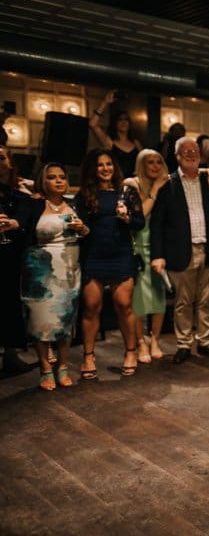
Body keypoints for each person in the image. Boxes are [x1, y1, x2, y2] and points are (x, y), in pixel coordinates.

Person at [150, 137, 209, 364]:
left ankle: (205, 341)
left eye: (194, 150)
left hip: (208, 249)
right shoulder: (167, 183)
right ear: (177, 156)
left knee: (206, 299)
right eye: (185, 151)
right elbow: (157, 224)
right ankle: (183, 344)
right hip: (180, 251)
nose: (191, 154)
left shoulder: (208, 180)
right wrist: (158, 255)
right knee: (183, 302)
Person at [75, 149, 145, 378]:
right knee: (92, 306)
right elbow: (82, 226)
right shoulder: (85, 194)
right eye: (100, 165)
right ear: (93, 169)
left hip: (121, 254)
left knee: (124, 304)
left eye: (108, 164)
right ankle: (88, 356)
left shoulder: (127, 192)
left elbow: (139, 222)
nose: (105, 169)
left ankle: (131, 352)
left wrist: (127, 218)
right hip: (94, 255)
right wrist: (81, 228)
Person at [21, 163, 88, 389]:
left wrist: (83, 229)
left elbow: (88, 233)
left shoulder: (75, 204)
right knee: (41, 321)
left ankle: (63, 365)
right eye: (52, 177)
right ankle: (45, 367)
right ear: (43, 181)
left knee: (65, 319)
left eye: (62, 177)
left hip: (68, 267)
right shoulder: (34, 204)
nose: (59, 181)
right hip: (40, 269)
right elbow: (23, 228)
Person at [123, 149, 169, 363]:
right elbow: (140, 215)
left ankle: (155, 339)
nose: (155, 166)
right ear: (142, 164)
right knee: (138, 299)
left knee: (159, 297)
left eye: (158, 162)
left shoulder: (166, 182)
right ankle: (140, 341)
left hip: (158, 247)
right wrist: (156, 190)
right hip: (137, 247)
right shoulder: (132, 183)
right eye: (150, 162)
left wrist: (207, 169)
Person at [0, 144, 34, 374]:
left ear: (10, 163)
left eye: (2, 157)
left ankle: (11, 355)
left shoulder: (18, 194)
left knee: (11, 303)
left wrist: (14, 223)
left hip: (11, 257)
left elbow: (25, 219)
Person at [89, 90, 141, 178]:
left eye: (126, 119)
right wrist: (105, 102)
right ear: (115, 123)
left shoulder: (136, 143)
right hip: (116, 184)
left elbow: (143, 164)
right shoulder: (110, 142)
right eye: (120, 119)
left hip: (133, 184)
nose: (124, 122)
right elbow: (92, 124)